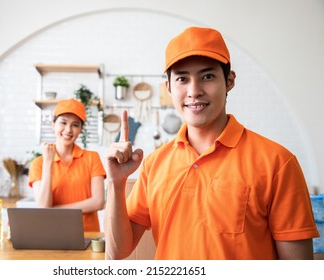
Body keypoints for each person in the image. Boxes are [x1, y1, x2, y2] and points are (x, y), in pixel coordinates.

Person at [104, 26, 319, 259]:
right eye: (182, 79)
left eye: (207, 76)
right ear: (168, 88)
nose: (194, 91)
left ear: (229, 81)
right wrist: (116, 183)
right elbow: (118, 251)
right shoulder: (154, 164)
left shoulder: (278, 162)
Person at [28, 98, 106, 232]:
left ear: (81, 129)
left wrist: (54, 211)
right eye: (63, 122)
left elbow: (98, 202)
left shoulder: (92, 158)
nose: (68, 130)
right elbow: (42, 207)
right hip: (52, 233)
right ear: (53, 124)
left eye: (75, 125)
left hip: (87, 234)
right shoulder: (39, 163)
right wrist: (48, 163)